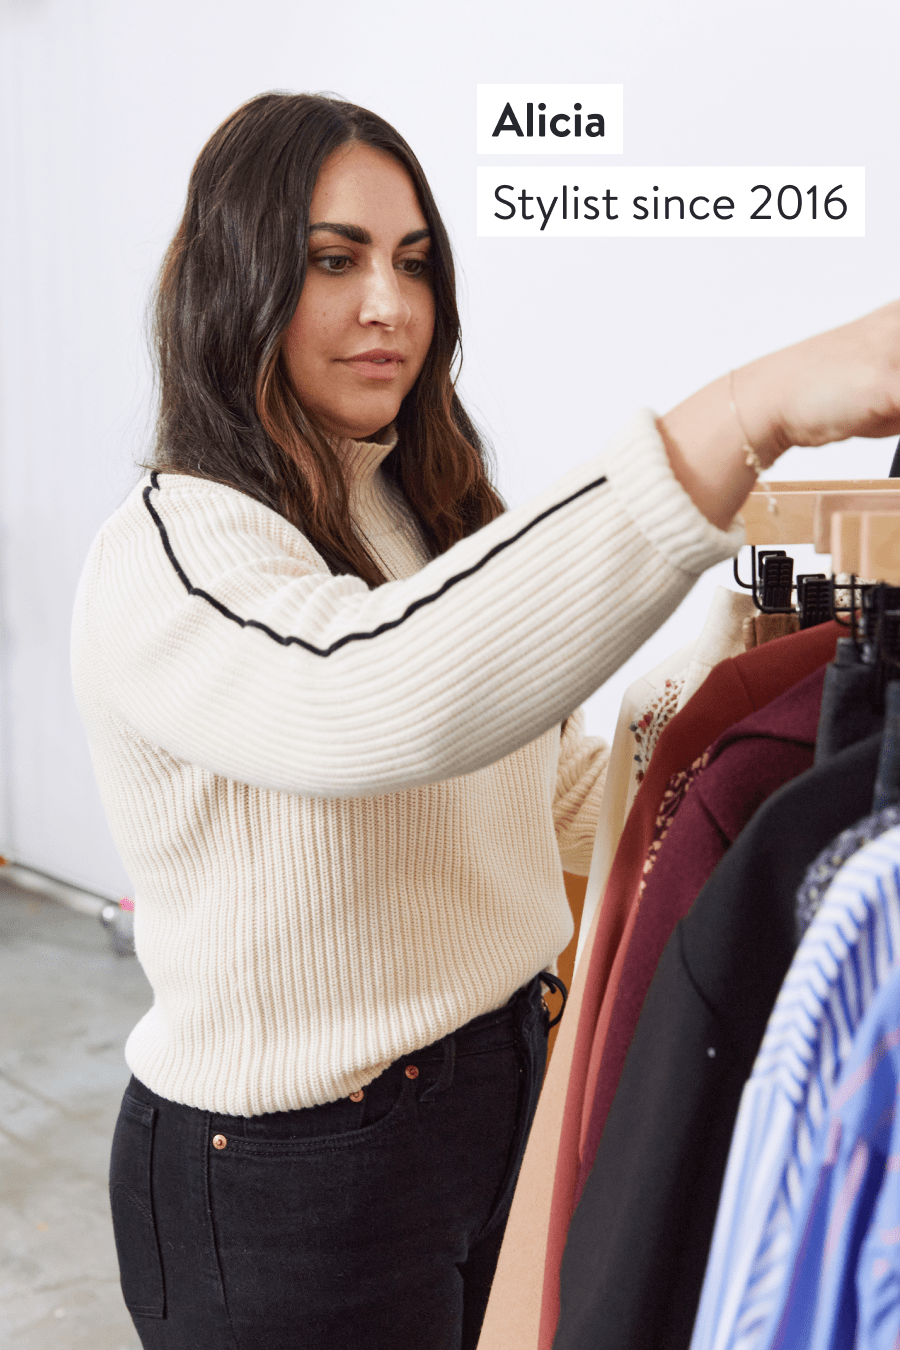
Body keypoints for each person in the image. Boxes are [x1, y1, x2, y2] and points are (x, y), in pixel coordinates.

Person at [70, 90, 900, 1350]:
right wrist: (743, 414)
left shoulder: (420, 508)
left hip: (492, 1100)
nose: (389, 305)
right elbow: (365, 703)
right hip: (292, 1177)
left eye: (413, 263)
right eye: (332, 260)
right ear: (235, 279)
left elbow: (538, 780)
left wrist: (735, 694)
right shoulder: (169, 555)